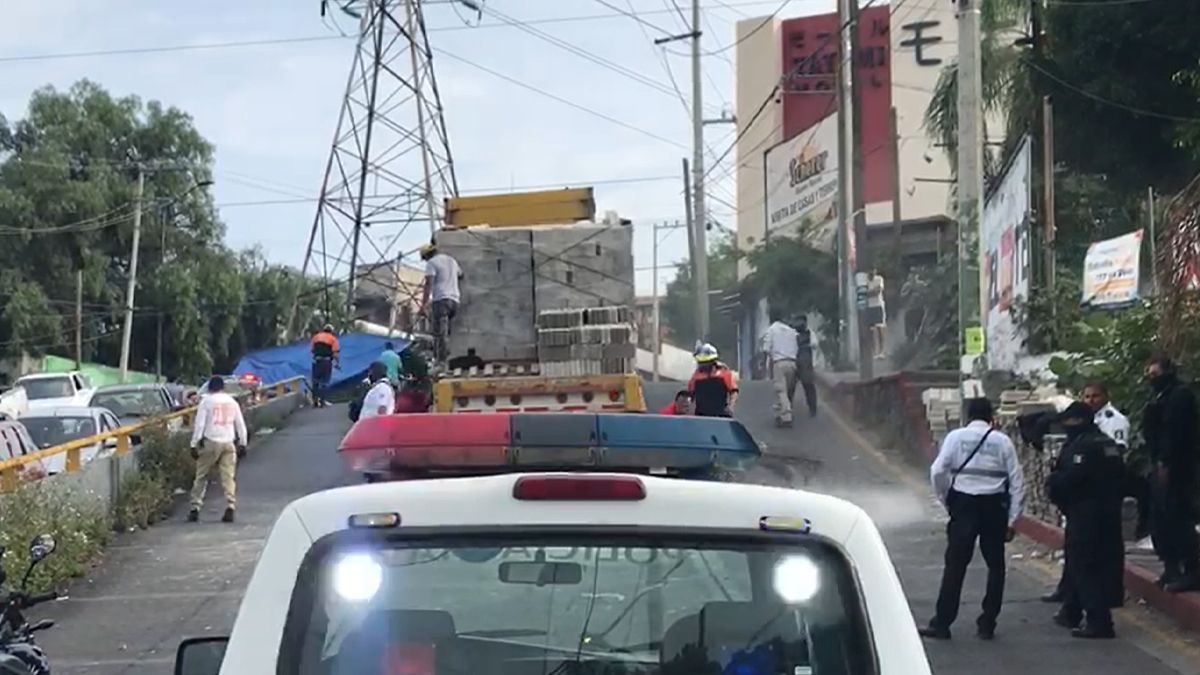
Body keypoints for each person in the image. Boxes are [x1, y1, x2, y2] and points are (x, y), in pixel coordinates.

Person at [921, 397, 1025, 641]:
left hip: (963, 504)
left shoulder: (955, 437)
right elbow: (1018, 481)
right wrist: (1013, 519)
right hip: (993, 506)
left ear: (968, 416)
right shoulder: (1003, 442)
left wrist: (947, 499)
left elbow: (938, 472)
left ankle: (943, 623)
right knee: (996, 566)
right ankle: (987, 623)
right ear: (992, 417)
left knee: (955, 566)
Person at [1042, 382, 1134, 604]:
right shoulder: (1083, 429)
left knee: (1090, 554)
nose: (1091, 400)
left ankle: (1100, 603)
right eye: (1087, 396)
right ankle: (1070, 597)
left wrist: (1058, 482)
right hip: (1087, 501)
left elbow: (1111, 459)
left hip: (1094, 499)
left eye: (1095, 396)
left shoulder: (1113, 422)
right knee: (1077, 552)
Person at [1046, 401, 1126, 639]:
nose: (1065, 425)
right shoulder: (1107, 443)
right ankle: (1071, 610)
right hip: (1108, 512)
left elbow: (1071, 477)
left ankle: (1099, 620)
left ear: (1079, 421)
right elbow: (1122, 475)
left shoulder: (1083, 446)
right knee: (1085, 563)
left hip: (1085, 513)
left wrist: (1053, 483)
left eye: (1068, 421)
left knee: (1085, 565)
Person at [1142, 355, 1200, 592]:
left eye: (1156, 375)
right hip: (1160, 465)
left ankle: (1192, 570)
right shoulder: (1161, 396)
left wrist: (1166, 463)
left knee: (1179, 520)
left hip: (1178, 470)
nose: (1152, 380)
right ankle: (1171, 566)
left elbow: (1175, 434)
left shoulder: (1179, 396)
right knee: (1160, 522)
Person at [188, 376, 248, 524]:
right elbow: (240, 425)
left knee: (201, 475)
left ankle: (195, 508)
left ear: (209, 388)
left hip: (211, 442)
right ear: (223, 387)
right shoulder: (232, 402)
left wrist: (193, 444)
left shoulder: (206, 402)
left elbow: (200, 425)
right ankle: (230, 505)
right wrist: (242, 443)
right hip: (229, 442)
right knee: (228, 477)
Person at [420, 243, 463, 364]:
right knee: (447, 332)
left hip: (441, 301)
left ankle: (441, 361)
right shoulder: (451, 260)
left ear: (427, 256)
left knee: (439, 333)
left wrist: (423, 305)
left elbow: (429, 284)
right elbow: (461, 275)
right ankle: (448, 356)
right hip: (455, 301)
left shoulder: (432, 263)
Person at [760, 309, 800, 427]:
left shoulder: (772, 330)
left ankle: (786, 416)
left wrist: (763, 364)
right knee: (787, 390)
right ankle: (780, 413)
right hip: (792, 363)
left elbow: (766, 349)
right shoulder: (791, 331)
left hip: (779, 362)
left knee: (781, 390)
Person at [688, 343, 738, 418]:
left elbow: (734, 391)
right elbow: (690, 394)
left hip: (721, 413)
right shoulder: (696, 376)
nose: (702, 365)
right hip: (701, 415)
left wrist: (730, 407)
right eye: (701, 362)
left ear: (712, 361)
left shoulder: (724, 373)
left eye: (705, 362)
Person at [310, 324, 340, 408]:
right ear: (331, 331)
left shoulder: (316, 337)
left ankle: (315, 401)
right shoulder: (333, 339)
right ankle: (322, 402)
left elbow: (312, 350)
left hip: (316, 361)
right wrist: (337, 363)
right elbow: (335, 353)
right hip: (326, 362)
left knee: (315, 382)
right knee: (325, 382)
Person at [795, 316, 818, 417]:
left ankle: (813, 408)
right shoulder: (792, 333)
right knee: (789, 388)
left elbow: (814, 344)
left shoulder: (810, 333)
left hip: (806, 364)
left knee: (808, 386)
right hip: (795, 362)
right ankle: (787, 410)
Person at [866, 269, 887, 359]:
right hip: (869, 306)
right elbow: (863, 293)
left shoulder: (879, 279)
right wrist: (872, 292)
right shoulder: (865, 280)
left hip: (878, 305)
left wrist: (870, 292)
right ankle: (874, 352)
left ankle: (881, 351)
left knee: (880, 328)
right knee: (871, 330)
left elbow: (878, 291)